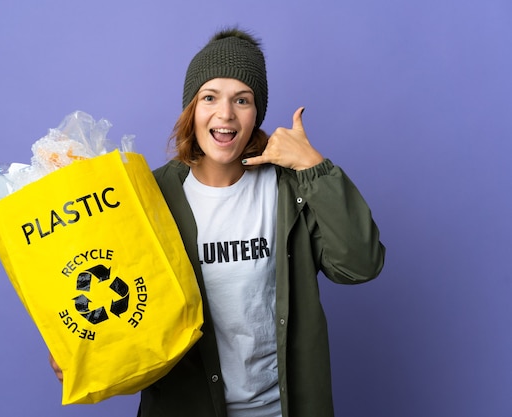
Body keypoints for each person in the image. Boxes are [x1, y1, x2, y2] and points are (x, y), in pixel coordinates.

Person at [51, 27, 385, 417]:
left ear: (256, 112)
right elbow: (115, 287)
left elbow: (360, 265)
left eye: (241, 100)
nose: (225, 115)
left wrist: (314, 167)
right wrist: (78, 344)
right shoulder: (150, 194)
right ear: (191, 109)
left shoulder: (289, 189)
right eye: (210, 97)